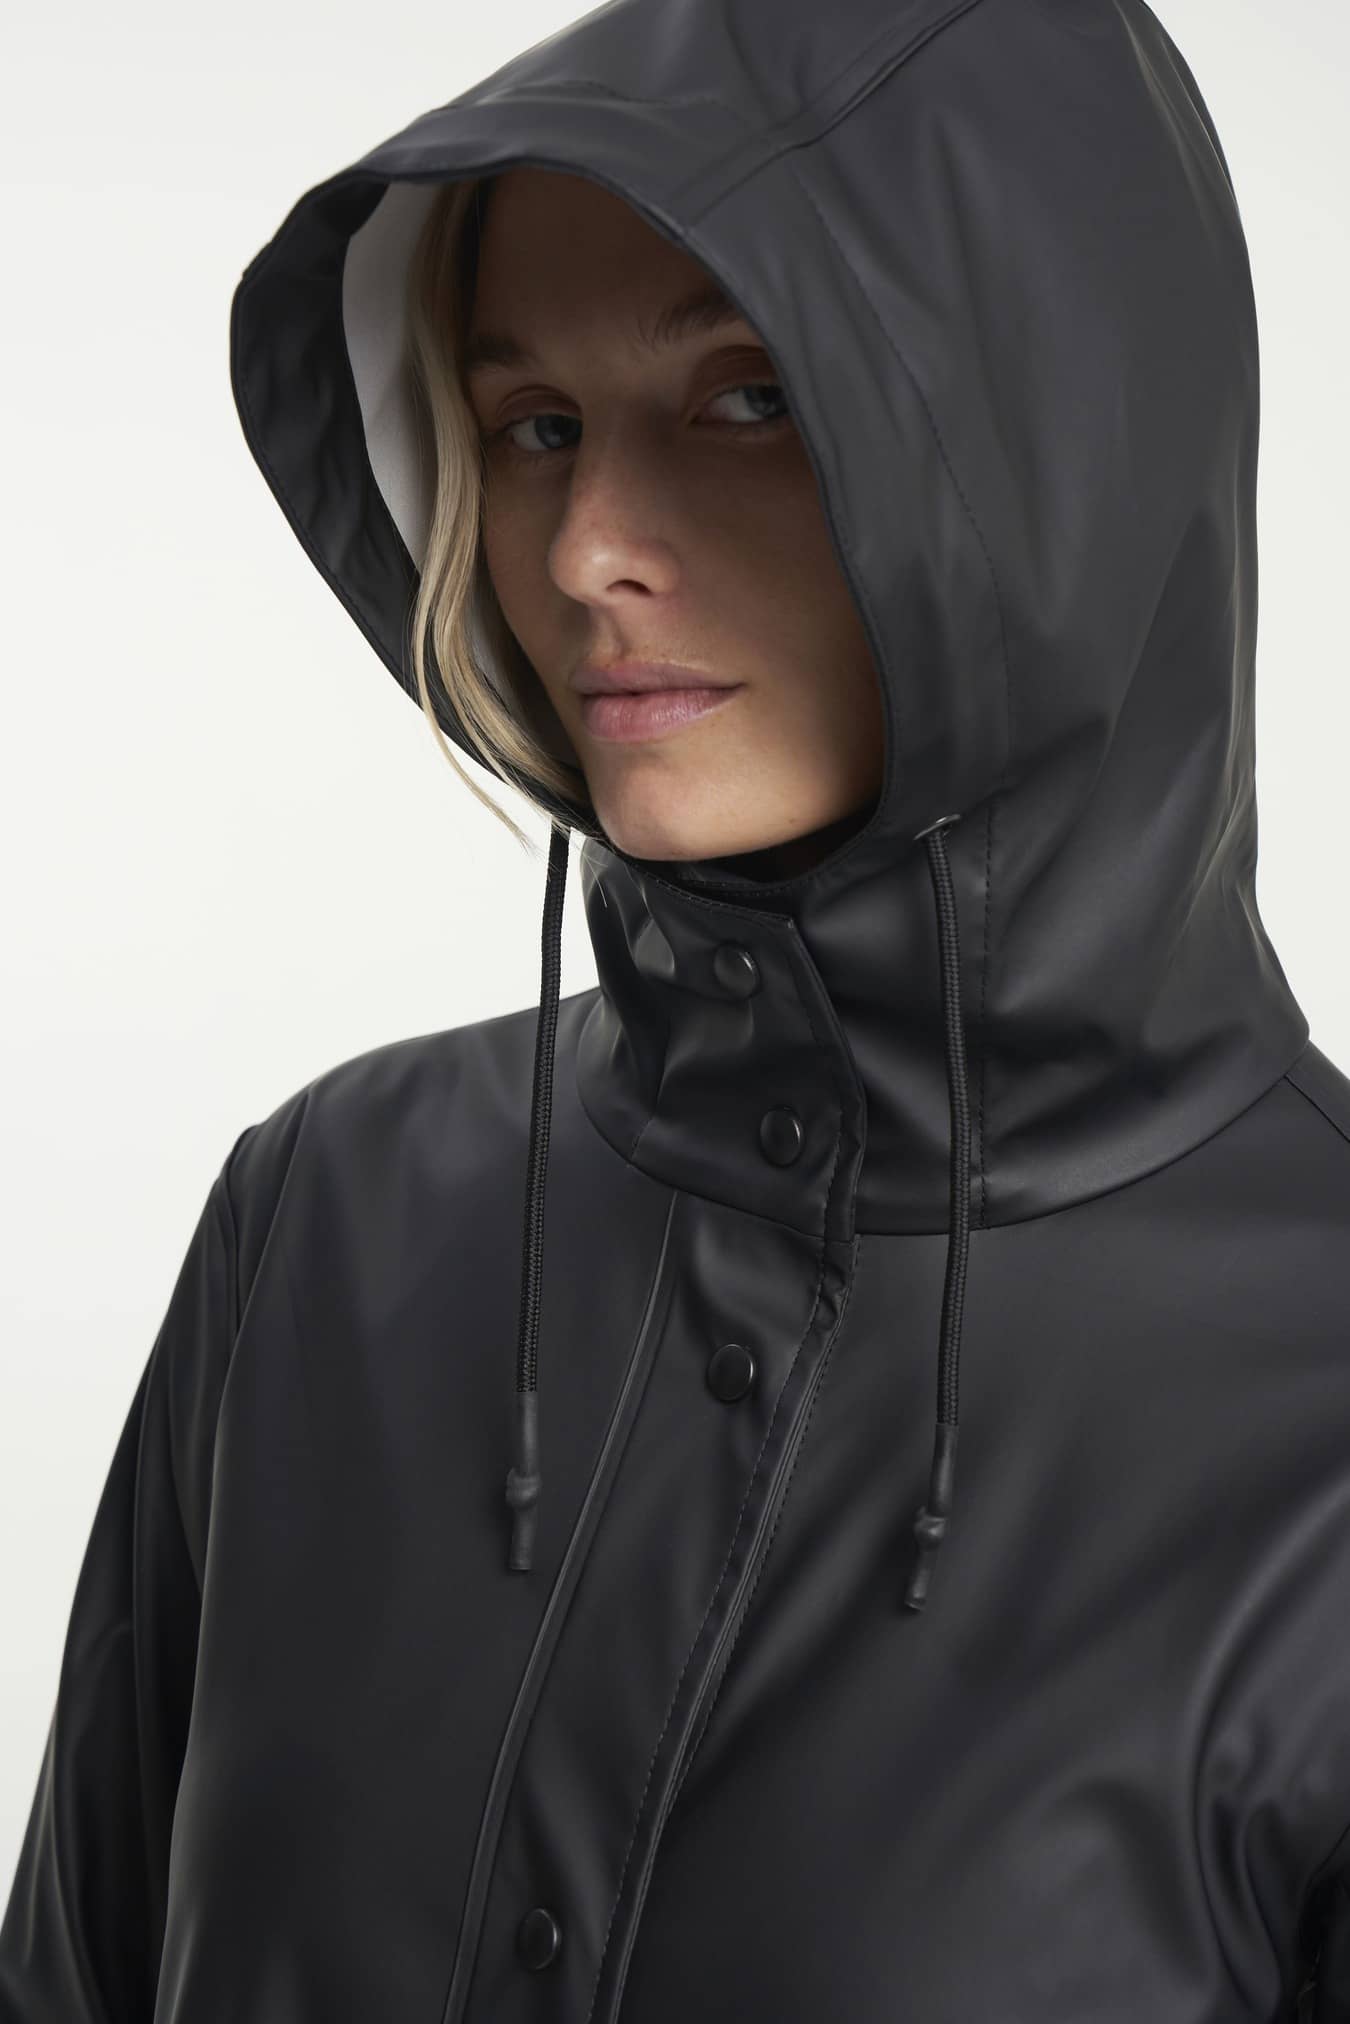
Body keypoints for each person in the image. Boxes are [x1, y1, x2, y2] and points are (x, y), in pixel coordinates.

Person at [3, 0, 1350, 2017]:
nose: (581, 550)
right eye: (533, 423)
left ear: (1057, 447)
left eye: (748, 400)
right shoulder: (328, 1217)